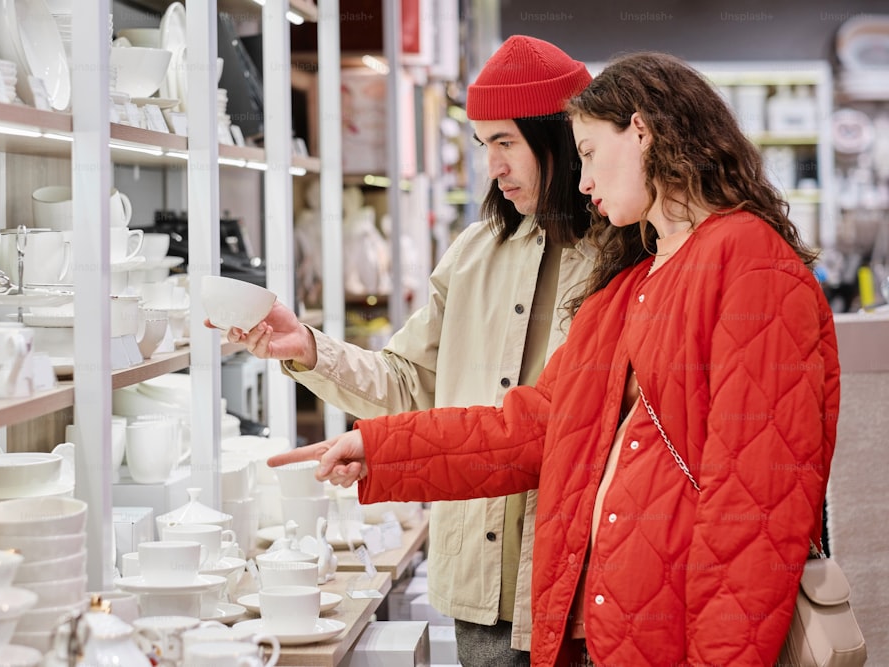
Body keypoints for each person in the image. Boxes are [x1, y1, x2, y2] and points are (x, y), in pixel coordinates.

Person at [267, 51, 840, 667]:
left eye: (589, 153)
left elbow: (753, 513)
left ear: (642, 132)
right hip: (602, 621)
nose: (584, 179)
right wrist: (379, 449)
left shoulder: (748, 263)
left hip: (663, 630)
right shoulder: (629, 284)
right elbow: (531, 427)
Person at [222, 36, 596, 666]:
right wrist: (309, 349)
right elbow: (407, 380)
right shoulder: (472, 255)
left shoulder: (619, 260)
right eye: (482, 146)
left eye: (506, 142)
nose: (493, 167)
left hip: (578, 589)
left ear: (558, 135)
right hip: (480, 590)